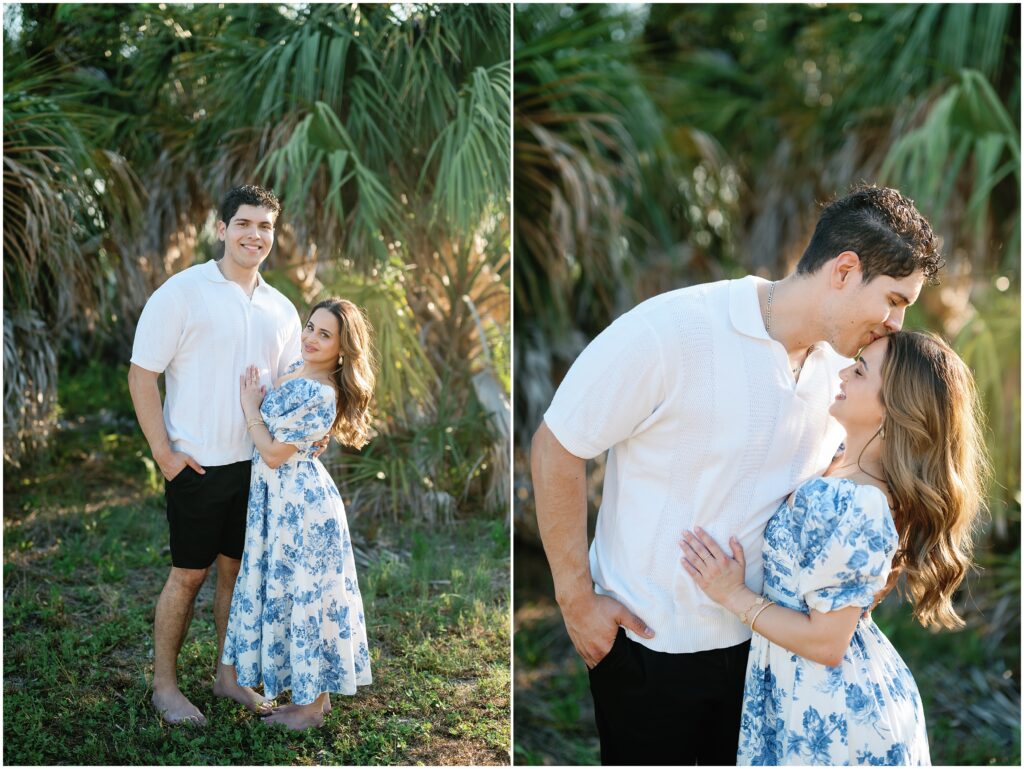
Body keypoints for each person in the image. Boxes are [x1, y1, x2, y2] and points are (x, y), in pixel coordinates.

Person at [530, 185, 941, 764]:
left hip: (770, 662)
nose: (896, 323)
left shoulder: (844, 377)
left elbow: (847, 488)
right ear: (845, 270)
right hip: (652, 652)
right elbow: (557, 446)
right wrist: (575, 600)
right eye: (894, 300)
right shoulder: (672, 329)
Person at [680, 330, 988, 765]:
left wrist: (734, 596)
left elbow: (827, 643)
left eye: (860, 370)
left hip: (831, 709)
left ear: (893, 408)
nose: (844, 371)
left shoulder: (859, 503)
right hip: (804, 686)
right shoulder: (842, 468)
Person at [129, 185, 302, 725]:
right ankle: (164, 688)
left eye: (266, 227)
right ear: (222, 229)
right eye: (245, 223)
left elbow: (293, 387)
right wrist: (164, 452)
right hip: (197, 467)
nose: (255, 235)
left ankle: (227, 677)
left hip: (256, 468)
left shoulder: (282, 307)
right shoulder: (183, 292)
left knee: (235, 574)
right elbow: (142, 374)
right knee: (189, 575)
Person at [221, 297, 375, 730]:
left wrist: (250, 405)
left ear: (343, 348)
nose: (309, 338)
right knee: (297, 591)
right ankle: (313, 699)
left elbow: (271, 454)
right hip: (280, 501)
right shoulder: (297, 371)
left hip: (301, 506)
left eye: (324, 335)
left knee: (310, 594)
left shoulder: (321, 392)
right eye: (310, 327)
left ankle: (310, 709)